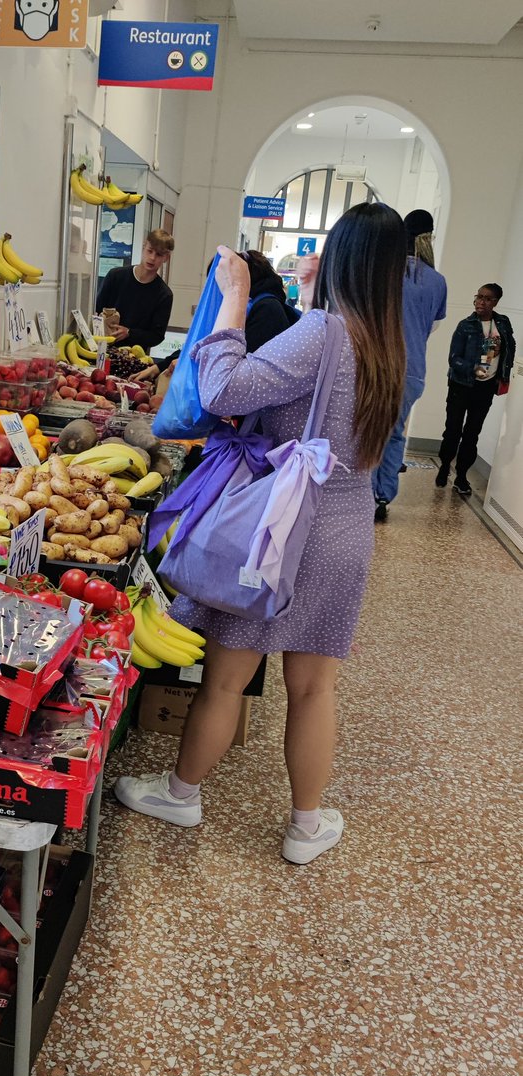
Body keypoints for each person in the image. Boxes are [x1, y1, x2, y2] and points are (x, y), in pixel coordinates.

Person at [115, 203, 407, 865]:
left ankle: (182, 793)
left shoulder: (323, 332)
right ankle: (307, 826)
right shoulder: (388, 344)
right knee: (313, 689)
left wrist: (238, 296)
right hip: (344, 532)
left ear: (339, 258)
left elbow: (220, 389)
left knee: (224, 682)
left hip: (278, 530)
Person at [371, 210, 447, 520]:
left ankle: (357, 492)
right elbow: (432, 328)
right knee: (394, 433)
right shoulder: (437, 281)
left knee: (367, 431)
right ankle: (382, 497)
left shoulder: (383, 271)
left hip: (377, 366)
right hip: (412, 370)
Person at [132, 250, 297, 389]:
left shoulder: (267, 310)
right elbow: (203, 340)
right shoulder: (247, 305)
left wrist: (191, 365)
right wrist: (158, 367)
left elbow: (238, 366)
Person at [436, 283, 516, 495]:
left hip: (485, 387)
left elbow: (510, 347)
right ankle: (444, 466)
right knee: (453, 430)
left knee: (472, 433)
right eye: (479, 297)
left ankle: (462, 475)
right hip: (461, 385)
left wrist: (503, 370)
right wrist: (473, 368)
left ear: (495, 302)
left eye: (487, 298)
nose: (481, 301)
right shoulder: (466, 325)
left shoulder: (503, 323)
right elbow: (453, 359)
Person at [95, 229, 174, 352]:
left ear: (166, 258)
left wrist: (129, 333)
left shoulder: (164, 294)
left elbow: (157, 336)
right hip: (100, 349)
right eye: (150, 251)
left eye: (158, 254)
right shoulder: (115, 276)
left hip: (134, 358)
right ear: (143, 247)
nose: (152, 258)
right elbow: (96, 311)